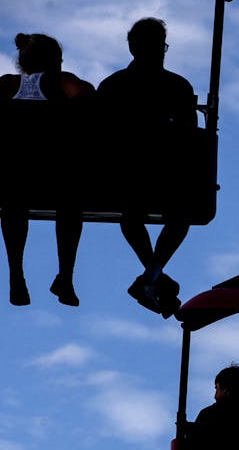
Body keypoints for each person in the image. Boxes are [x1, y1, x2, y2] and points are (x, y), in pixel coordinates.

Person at [98, 18, 196, 317]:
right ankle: (152, 277)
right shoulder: (177, 86)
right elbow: (189, 136)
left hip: (127, 176)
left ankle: (151, 277)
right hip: (153, 176)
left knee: (133, 215)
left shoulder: (113, 85)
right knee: (180, 215)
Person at [1, 33, 93, 307]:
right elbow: (89, 98)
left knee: (13, 203)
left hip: (16, 175)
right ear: (56, 62)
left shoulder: (7, 85)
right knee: (70, 206)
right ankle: (65, 276)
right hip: (56, 175)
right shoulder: (64, 83)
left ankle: (16, 274)